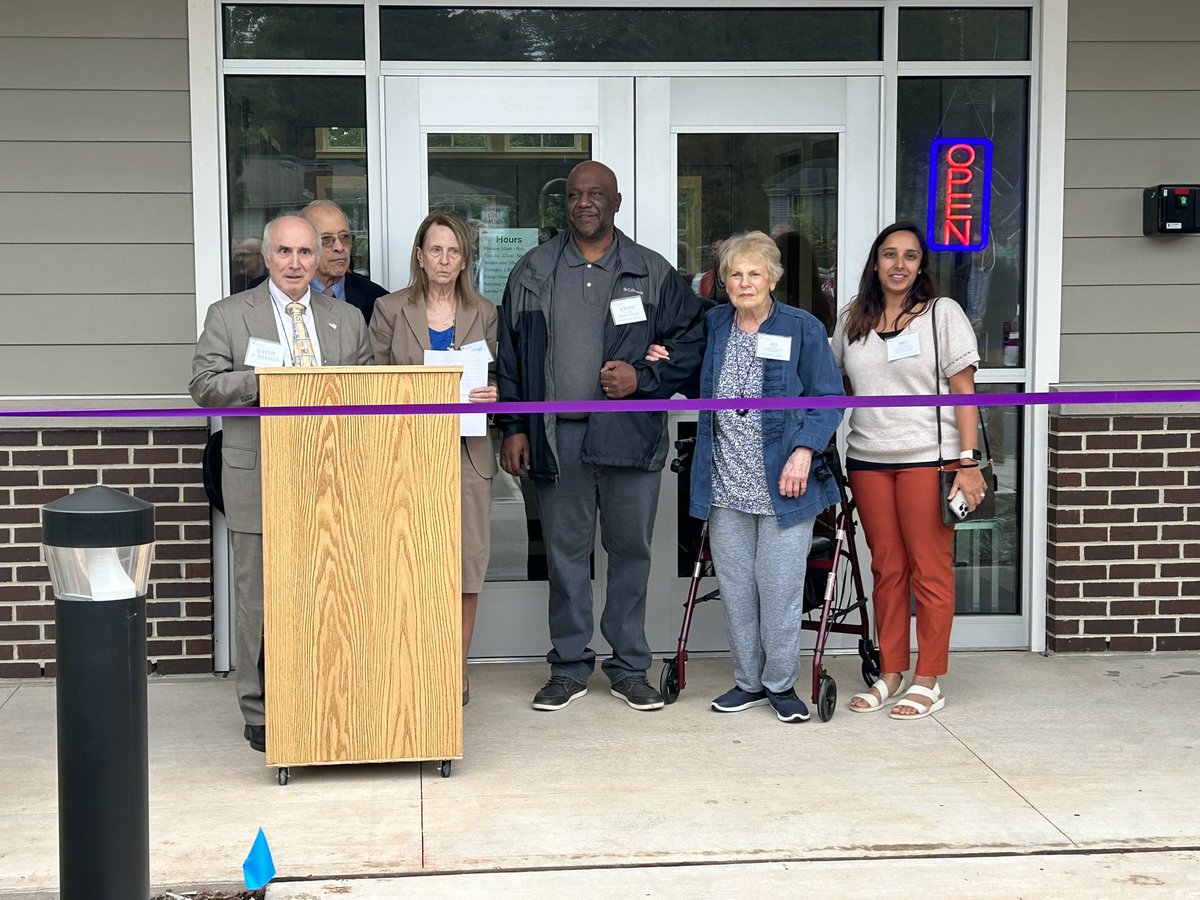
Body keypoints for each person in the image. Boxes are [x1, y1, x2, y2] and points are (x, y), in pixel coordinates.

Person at [496, 160, 707, 712]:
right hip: (557, 440)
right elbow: (513, 359)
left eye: (596, 194)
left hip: (630, 434)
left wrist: (646, 376)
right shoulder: (533, 270)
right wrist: (514, 427)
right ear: (564, 204)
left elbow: (693, 342)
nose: (584, 203)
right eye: (574, 195)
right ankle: (568, 666)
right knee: (565, 558)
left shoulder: (651, 271)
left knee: (631, 552)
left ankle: (630, 666)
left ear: (616, 202)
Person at [190, 215, 373, 752]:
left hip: (333, 477)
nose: (296, 263)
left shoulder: (347, 318)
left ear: (319, 259)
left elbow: (367, 391)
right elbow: (203, 386)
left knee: (331, 592)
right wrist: (267, 382)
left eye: (305, 253)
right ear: (266, 257)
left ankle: (325, 694)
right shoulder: (229, 314)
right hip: (260, 474)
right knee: (259, 599)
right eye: (285, 253)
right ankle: (260, 709)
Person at [686, 231, 844, 723]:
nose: (745, 282)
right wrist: (658, 362)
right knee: (735, 585)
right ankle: (747, 682)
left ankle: (781, 684)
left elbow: (828, 398)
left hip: (785, 485)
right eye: (735, 274)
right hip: (727, 482)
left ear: (773, 278)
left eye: (755, 273)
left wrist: (803, 452)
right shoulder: (715, 325)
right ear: (723, 282)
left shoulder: (802, 328)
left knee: (778, 586)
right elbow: (692, 376)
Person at [832, 221, 987, 720]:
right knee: (887, 569)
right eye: (890, 255)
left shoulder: (942, 315)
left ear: (922, 265)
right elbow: (833, 385)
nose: (899, 265)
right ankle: (892, 671)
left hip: (928, 458)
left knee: (930, 569)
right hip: (868, 459)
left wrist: (968, 462)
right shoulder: (852, 317)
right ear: (875, 262)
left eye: (911, 256)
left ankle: (928, 677)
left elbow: (965, 395)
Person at [369, 211, 497, 706]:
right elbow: (371, 381)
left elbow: (500, 377)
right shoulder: (388, 309)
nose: (445, 260)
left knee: (465, 567)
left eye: (454, 250)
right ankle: (412, 662)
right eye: (436, 250)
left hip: (467, 454)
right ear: (420, 256)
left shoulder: (485, 310)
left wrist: (494, 393)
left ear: (465, 258)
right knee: (410, 564)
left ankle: (455, 671)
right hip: (407, 455)